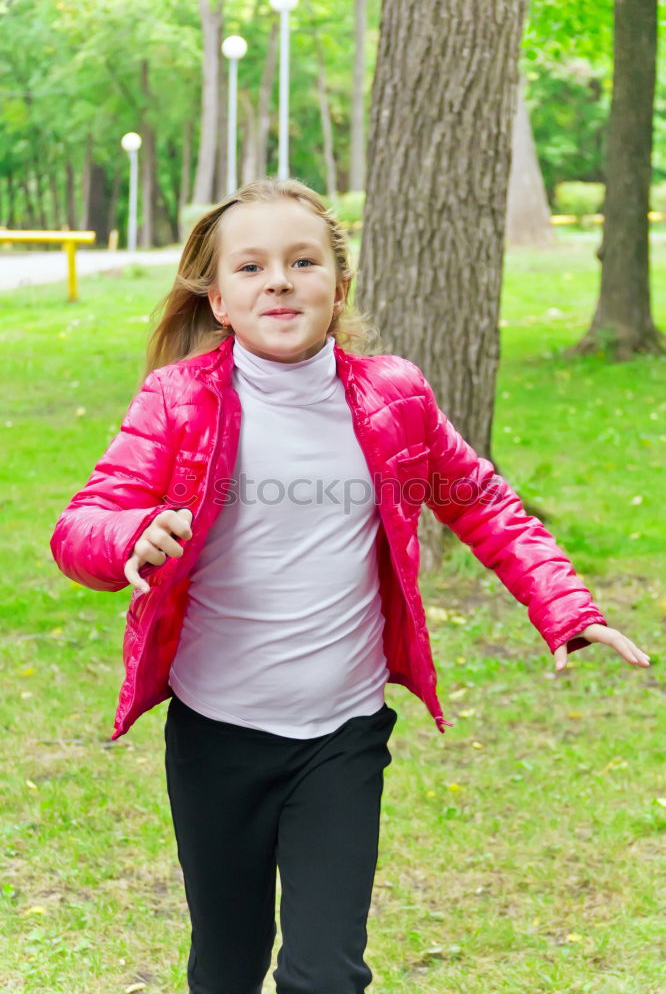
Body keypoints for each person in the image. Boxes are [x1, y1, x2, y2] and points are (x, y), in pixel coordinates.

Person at [49, 177, 650, 994]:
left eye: (302, 262)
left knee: (326, 971)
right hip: (216, 735)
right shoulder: (179, 402)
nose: (280, 282)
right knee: (225, 962)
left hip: (342, 733)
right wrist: (129, 535)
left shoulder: (393, 397)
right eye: (252, 267)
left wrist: (566, 608)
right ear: (219, 298)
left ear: (339, 286)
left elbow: (483, 503)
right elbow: (83, 523)